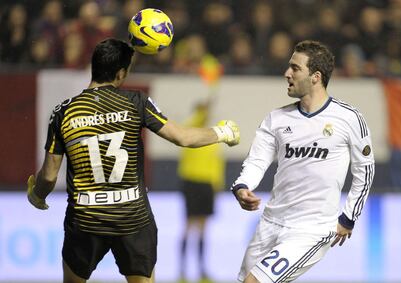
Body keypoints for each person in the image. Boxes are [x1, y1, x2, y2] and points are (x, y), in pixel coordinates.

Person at [26, 38, 240, 283]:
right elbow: (182, 137)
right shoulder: (135, 102)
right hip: (133, 221)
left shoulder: (64, 111)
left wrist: (38, 195)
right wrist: (222, 132)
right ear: (121, 73)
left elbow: (50, 175)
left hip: (85, 220)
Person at [231, 40, 375, 283]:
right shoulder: (276, 119)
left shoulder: (349, 118)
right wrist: (242, 187)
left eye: (295, 68)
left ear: (315, 76)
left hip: (310, 229)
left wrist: (349, 216)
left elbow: (365, 170)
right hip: (270, 223)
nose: (287, 73)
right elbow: (257, 160)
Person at [177, 100, 224, 283]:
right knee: (188, 227)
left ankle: (202, 271)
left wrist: (217, 187)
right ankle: (182, 271)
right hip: (191, 182)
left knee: (204, 230)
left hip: (207, 186)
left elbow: (216, 164)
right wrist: (201, 110)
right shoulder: (189, 130)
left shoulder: (212, 137)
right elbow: (197, 119)